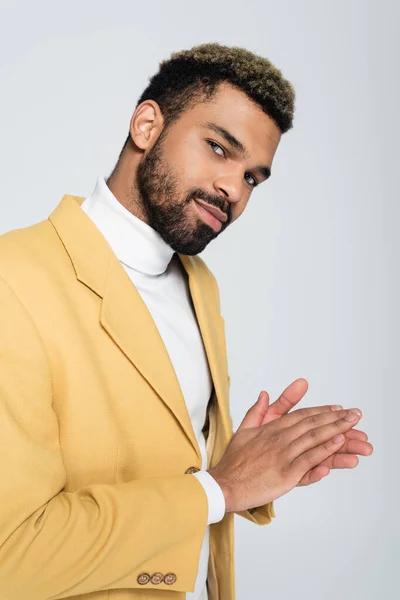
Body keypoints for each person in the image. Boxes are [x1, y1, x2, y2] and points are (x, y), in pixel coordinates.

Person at [0, 42, 373, 600]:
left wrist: (242, 462)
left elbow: (178, 468)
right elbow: (11, 557)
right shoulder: (14, 280)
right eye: (219, 148)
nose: (233, 190)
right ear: (147, 125)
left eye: (253, 177)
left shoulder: (199, 282)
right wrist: (218, 488)